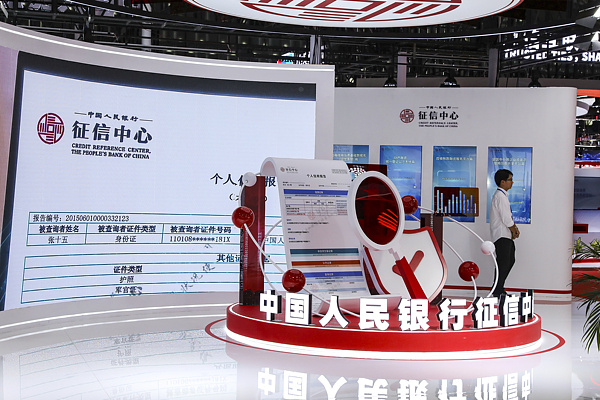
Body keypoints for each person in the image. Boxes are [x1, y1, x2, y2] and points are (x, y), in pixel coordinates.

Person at [489, 169, 519, 297]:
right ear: (502, 182)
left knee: (509, 261)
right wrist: (514, 229)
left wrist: (513, 229)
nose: (512, 182)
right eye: (510, 180)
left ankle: (499, 287)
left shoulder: (502, 195)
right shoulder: (500, 196)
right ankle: (497, 289)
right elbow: (506, 218)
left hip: (505, 235)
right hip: (501, 235)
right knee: (504, 263)